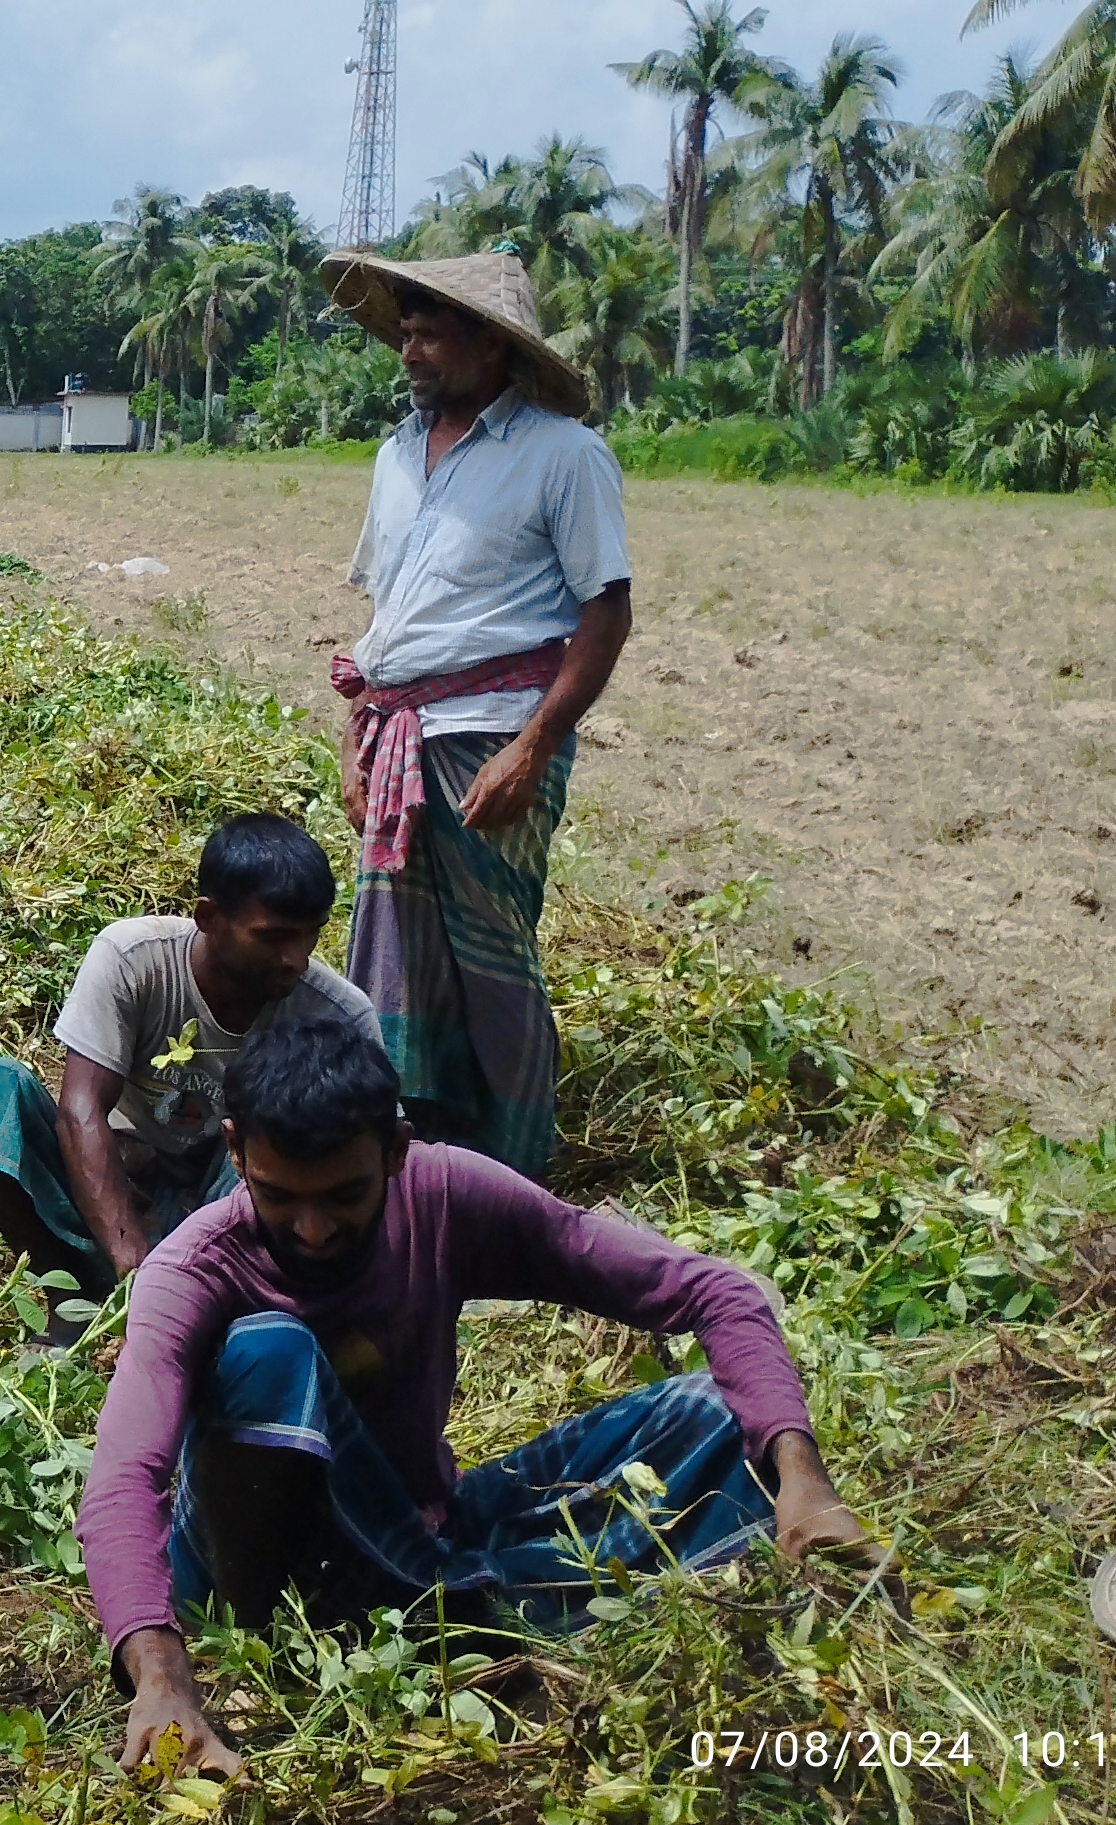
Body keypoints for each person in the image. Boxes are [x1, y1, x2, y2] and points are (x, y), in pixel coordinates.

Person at [87, 1010, 872, 1780]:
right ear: (236, 1150)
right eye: (279, 1196)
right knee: (271, 1352)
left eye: (344, 1195)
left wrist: (806, 1481)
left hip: (417, 1533)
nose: (314, 1228)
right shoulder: (192, 1273)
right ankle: (316, 1645)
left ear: (395, 1151)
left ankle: (457, 1616)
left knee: (717, 1413)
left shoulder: (443, 1195)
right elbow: (124, 1478)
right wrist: (162, 1679)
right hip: (258, 1573)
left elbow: (714, 1292)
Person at [318, 249, 633, 1178]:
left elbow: (606, 612)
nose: (409, 352)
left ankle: (514, 1168)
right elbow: (388, 613)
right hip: (400, 731)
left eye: (428, 336)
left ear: (491, 345)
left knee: (490, 953)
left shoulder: (563, 455)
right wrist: (354, 742)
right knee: (399, 954)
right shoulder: (395, 455)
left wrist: (533, 747)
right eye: (404, 334)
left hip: (494, 729)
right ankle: (413, 1149)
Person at [0, 814, 377, 1341]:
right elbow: (80, 1108)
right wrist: (132, 1265)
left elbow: (368, 1163)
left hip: (229, 1208)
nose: (297, 959)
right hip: (115, 1186)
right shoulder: (134, 959)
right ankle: (70, 1295)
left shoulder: (338, 1015)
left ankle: (210, 1311)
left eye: (311, 935)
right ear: (208, 917)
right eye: (273, 937)